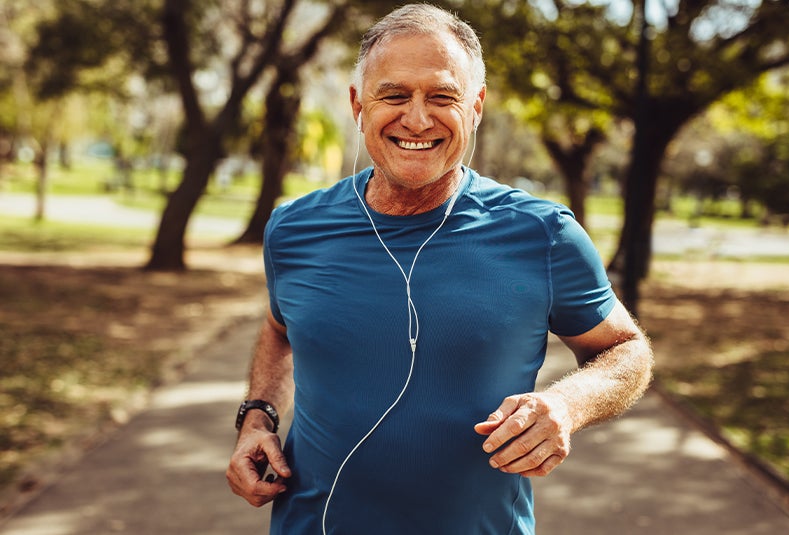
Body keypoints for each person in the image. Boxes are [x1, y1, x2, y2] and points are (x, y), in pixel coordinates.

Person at [227, 4, 653, 534]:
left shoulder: (543, 233)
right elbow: (279, 327)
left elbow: (626, 350)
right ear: (359, 104)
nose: (418, 118)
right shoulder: (293, 228)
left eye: (442, 96)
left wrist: (566, 405)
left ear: (475, 107)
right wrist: (257, 418)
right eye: (394, 94)